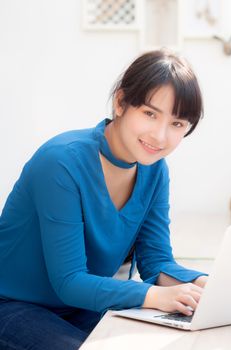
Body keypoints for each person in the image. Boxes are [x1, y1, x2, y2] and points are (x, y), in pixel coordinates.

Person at [0, 49, 208, 350]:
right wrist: (156, 296)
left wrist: (206, 286)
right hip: (13, 305)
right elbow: (69, 280)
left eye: (177, 124)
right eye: (150, 114)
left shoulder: (154, 170)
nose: (160, 137)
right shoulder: (61, 162)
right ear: (121, 103)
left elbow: (156, 262)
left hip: (81, 307)